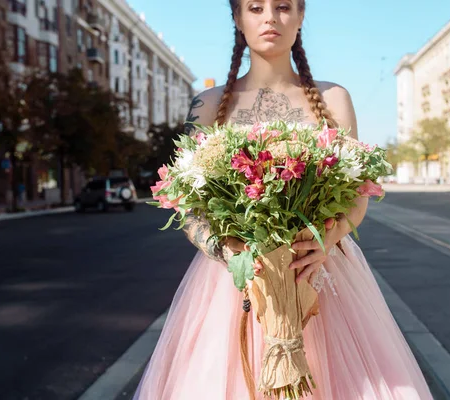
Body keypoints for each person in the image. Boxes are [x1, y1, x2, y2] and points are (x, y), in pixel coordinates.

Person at [134, 0, 434, 399]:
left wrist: (325, 242)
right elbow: (186, 203)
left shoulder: (334, 99)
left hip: (320, 274)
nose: (270, 18)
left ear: (301, 16)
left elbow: (358, 193)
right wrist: (230, 253)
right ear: (238, 19)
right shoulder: (206, 104)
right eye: (255, 8)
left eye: (283, 6)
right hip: (235, 282)